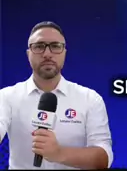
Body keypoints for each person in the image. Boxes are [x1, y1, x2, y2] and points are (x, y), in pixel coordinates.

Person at [0, 21, 112, 170]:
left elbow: (104, 158)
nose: (47, 54)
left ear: (64, 52)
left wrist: (58, 153)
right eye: (39, 46)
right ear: (28, 54)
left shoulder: (90, 99)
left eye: (55, 46)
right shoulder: (6, 97)